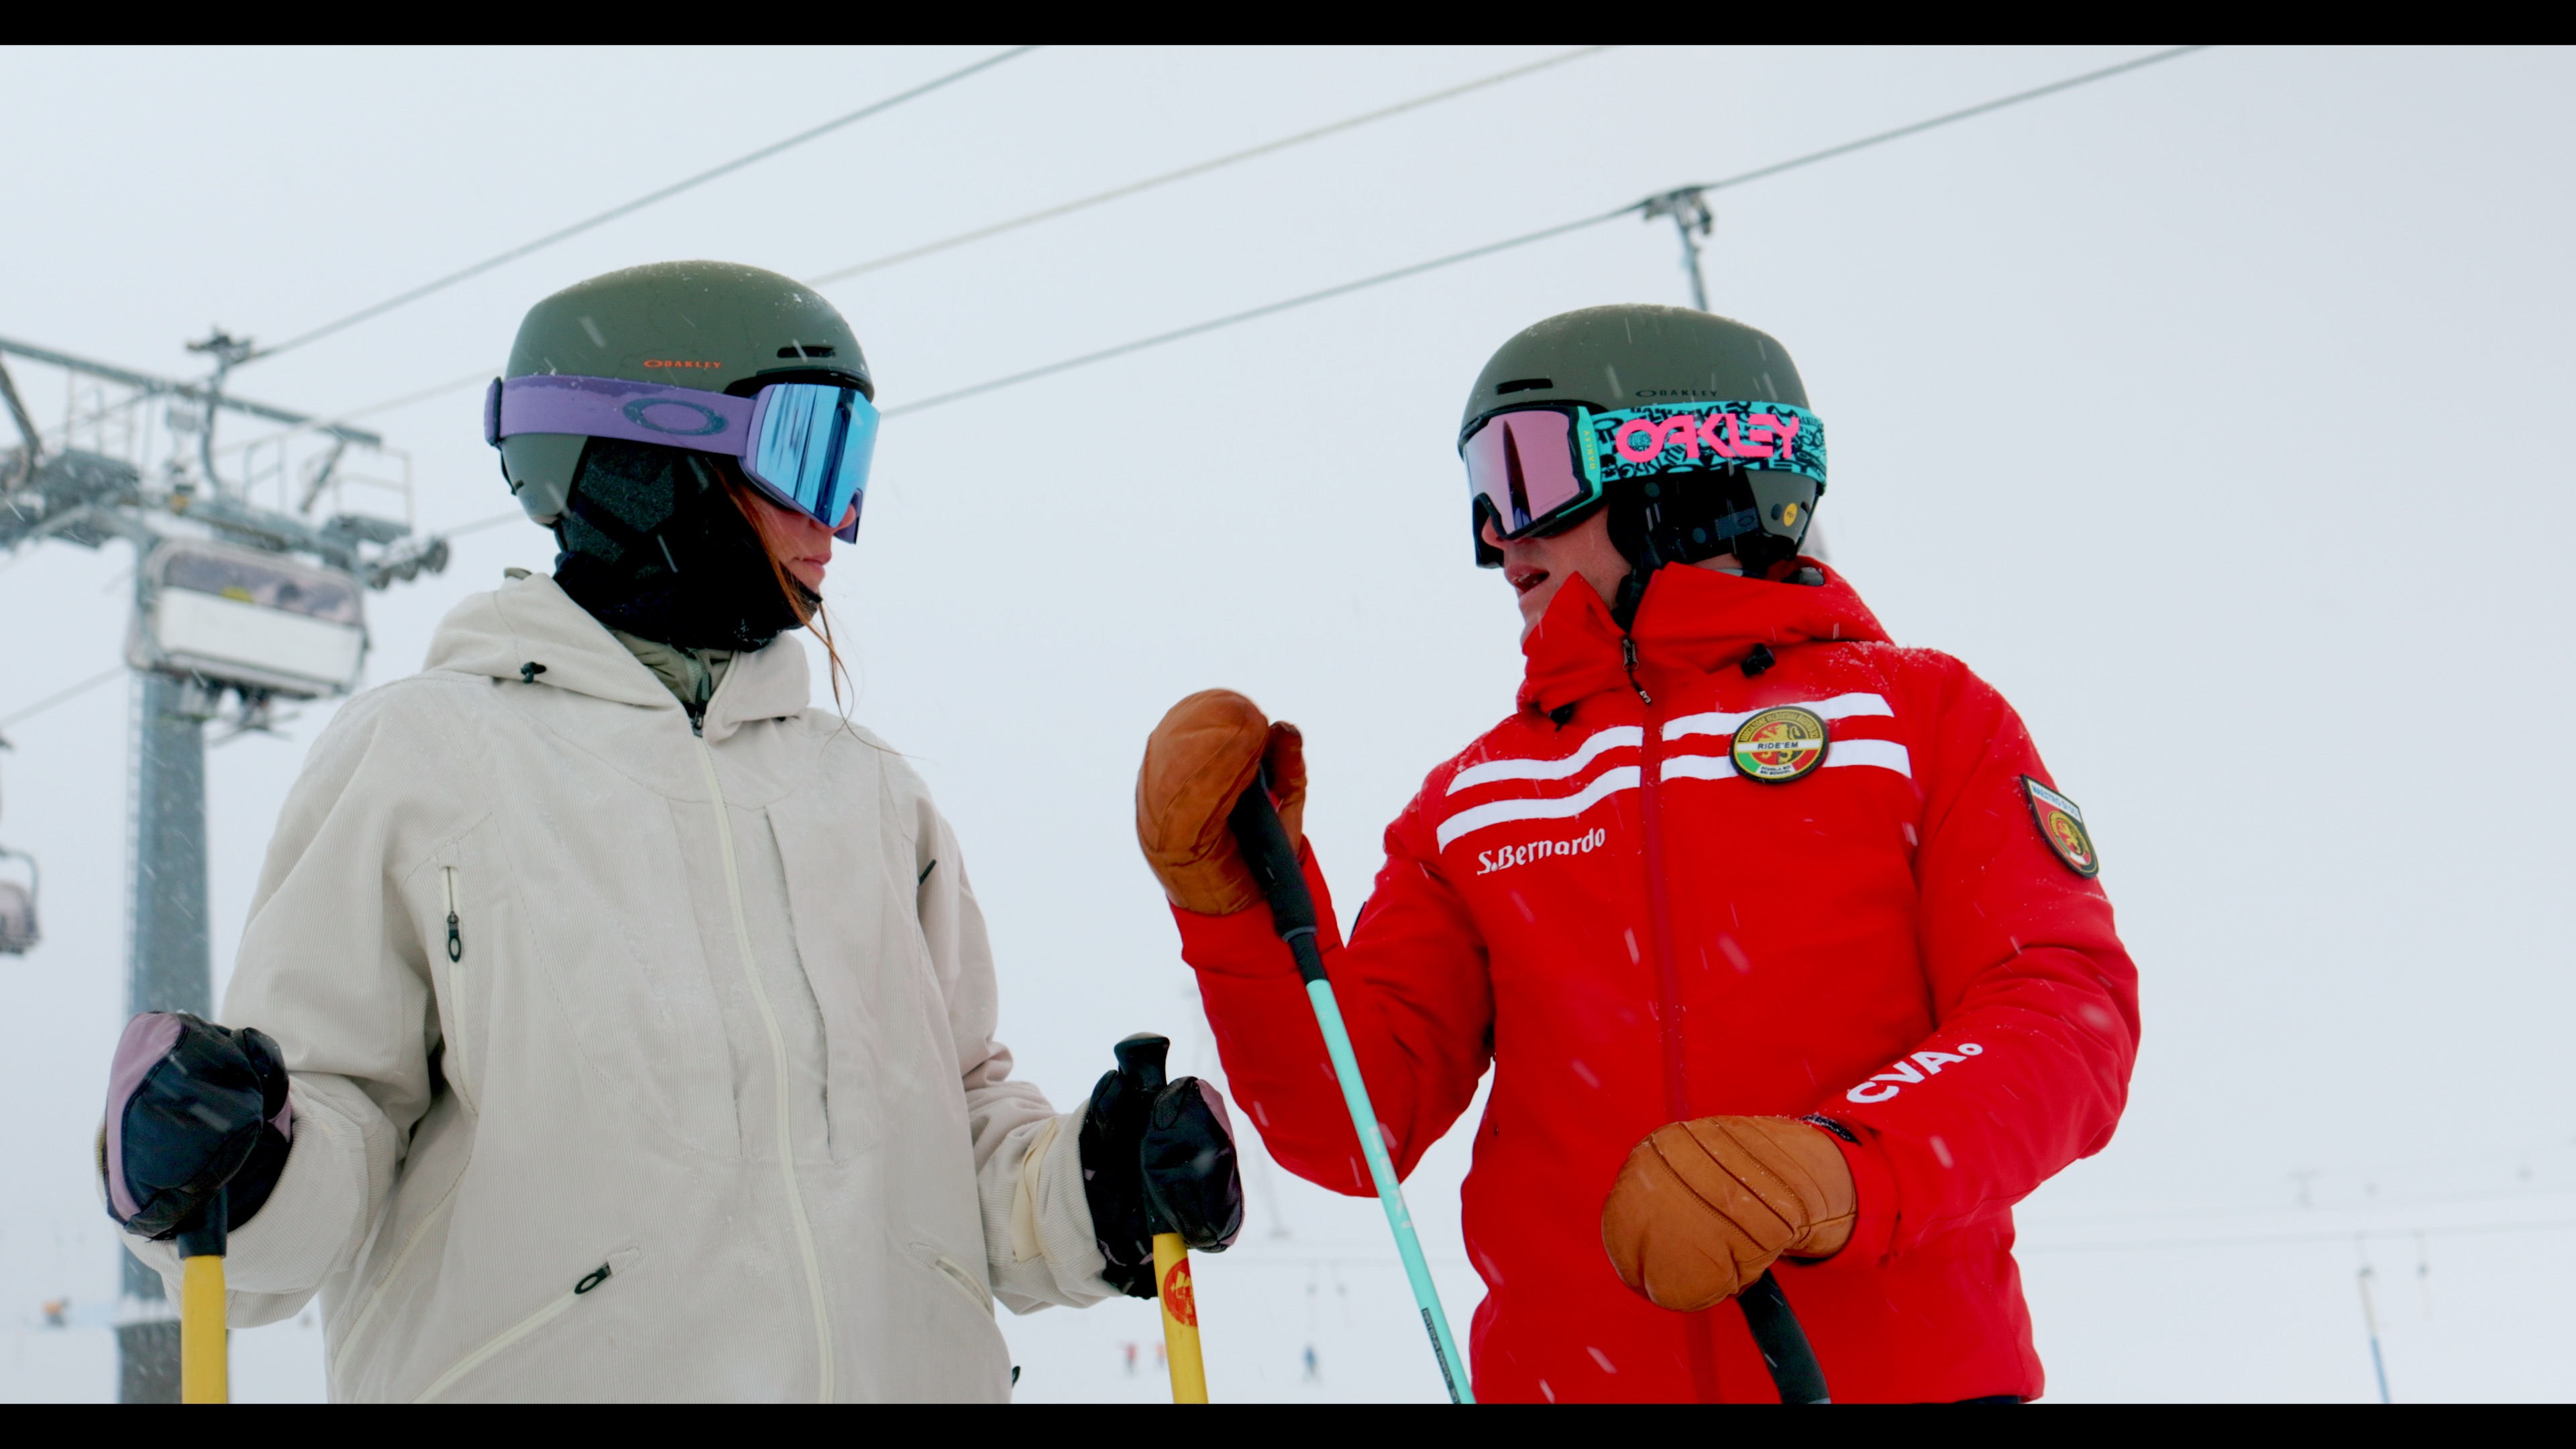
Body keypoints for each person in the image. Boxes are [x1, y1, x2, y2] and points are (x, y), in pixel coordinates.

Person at [98, 262, 1239, 1402]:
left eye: (855, 470)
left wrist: (1096, 1185)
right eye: (809, 456)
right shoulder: (427, 762)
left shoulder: (874, 800)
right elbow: (325, 1145)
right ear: (647, 455)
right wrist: (242, 1164)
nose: (835, 523)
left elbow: (961, 1142)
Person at [1133, 305, 2137, 1403]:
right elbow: (1351, 1126)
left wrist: (1838, 1170)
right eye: (1478, 488)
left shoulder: (1918, 720)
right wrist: (1235, 910)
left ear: (1689, 460)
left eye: (1523, 472)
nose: (1492, 538)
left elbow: (2060, 1023)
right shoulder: (1478, 803)